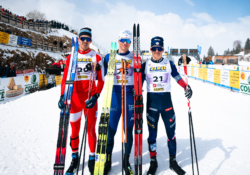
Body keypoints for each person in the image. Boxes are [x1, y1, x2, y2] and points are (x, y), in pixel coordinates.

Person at [141, 36, 193, 175]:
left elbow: (177, 77)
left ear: (163, 50)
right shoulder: (145, 65)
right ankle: (153, 161)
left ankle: (173, 161)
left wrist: (186, 88)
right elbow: (138, 84)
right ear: (151, 49)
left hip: (167, 105)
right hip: (152, 105)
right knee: (152, 135)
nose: (157, 51)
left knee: (171, 134)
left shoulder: (169, 63)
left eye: (159, 49)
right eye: (154, 49)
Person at [58, 27, 104, 175]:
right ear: (78, 39)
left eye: (88, 39)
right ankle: (74, 158)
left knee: (90, 130)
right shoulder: (71, 56)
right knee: (74, 130)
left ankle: (91, 158)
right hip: (74, 99)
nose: (85, 41)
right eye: (82, 38)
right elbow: (65, 79)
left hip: (90, 99)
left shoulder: (96, 57)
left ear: (91, 40)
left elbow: (102, 80)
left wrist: (96, 95)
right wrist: (62, 96)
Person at [104, 29, 134, 175]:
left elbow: (142, 76)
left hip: (129, 96)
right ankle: (108, 160)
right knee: (111, 130)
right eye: (123, 40)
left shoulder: (134, 57)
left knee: (128, 130)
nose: (125, 43)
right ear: (118, 41)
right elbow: (100, 73)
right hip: (114, 96)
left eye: (128, 41)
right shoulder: (109, 56)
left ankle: (126, 161)